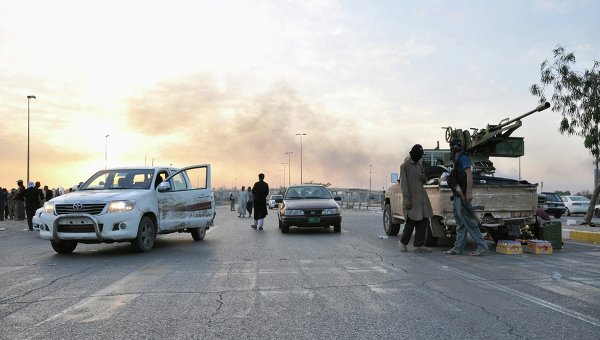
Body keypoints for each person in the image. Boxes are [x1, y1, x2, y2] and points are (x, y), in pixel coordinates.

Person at [444, 139, 489, 256]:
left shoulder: (463, 158)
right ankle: (458, 247)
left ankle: (482, 246)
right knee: (460, 222)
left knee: (469, 221)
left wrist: (469, 192)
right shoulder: (457, 159)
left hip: (463, 194)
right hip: (457, 195)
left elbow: (469, 173)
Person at [398, 144, 434, 253]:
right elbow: (403, 185)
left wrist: (424, 179)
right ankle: (403, 243)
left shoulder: (419, 164)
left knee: (423, 221)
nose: (420, 157)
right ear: (414, 153)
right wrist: (407, 199)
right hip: (412, 199)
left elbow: (424, 179)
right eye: (419, 154)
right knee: (411, 222)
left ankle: (418, 245)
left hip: (422, 198)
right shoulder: (404, 166)